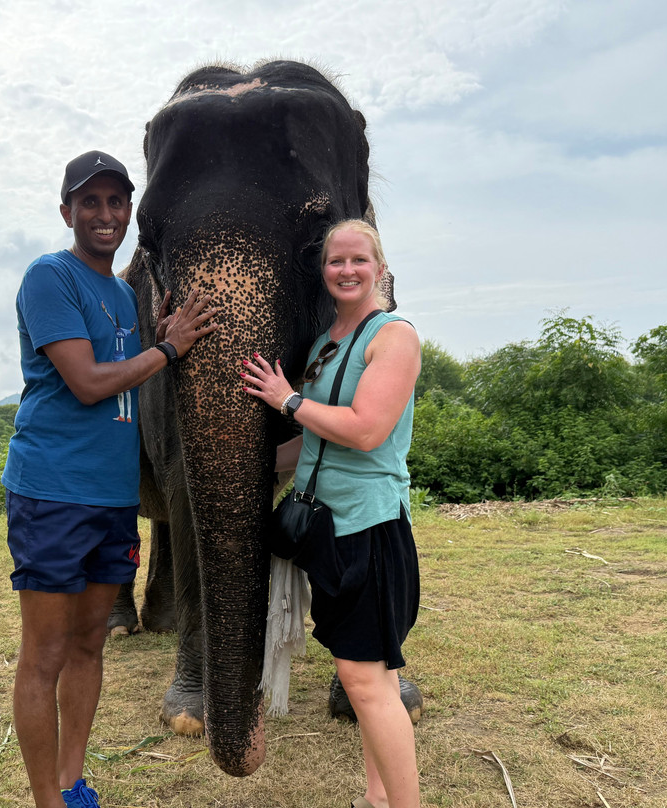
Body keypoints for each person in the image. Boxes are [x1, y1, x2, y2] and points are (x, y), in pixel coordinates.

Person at [2, 150, 217, 808]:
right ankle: (46, 801)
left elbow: (142, 367)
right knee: (45, 653)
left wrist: (170, 334)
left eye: (115, 202)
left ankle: (73, 785)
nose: (104, 214)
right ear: (66, 211)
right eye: (89, 202)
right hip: (52, 491)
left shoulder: (125, 294)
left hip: (113, 498)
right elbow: (89, 383)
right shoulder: (50, 277)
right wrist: (168, 347)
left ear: (129, 213)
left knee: (91, 644)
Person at [239, 219, 422, 808]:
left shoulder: (392, 337)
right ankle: (376, 799)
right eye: (335, 261)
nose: (347, 271)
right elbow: (314, 444)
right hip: (329, 528)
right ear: (323, 272)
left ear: (380, 268)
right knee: (378, 682)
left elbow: (367, 430)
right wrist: (247, 464)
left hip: (368, 529)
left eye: (358, 261)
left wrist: (288, 399)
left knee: (364, 684)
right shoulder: (327, 342)